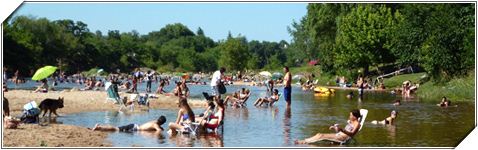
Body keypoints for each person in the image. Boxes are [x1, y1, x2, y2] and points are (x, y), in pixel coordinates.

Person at [295, 109, 362, 144]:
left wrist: (341, 129)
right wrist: (335, 128)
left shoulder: (357, 124)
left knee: (321, 136)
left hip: (342, 138)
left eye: (351, 115)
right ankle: (305, 141)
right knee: (319, 134)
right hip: (338, 135)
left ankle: (304, 142)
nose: (349, 116)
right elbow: (343, 130)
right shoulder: (351, 121)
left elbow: (352, 134)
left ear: (354, 116)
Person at [91, 115, 166, 132]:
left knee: (116, 128)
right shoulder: (156, 125)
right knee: (116, 129)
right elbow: (158, 132)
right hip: (134, 128)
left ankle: (100, 127)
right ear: (162, 123)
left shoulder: (154, 122)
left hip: (134, 127)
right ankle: (99, 127)